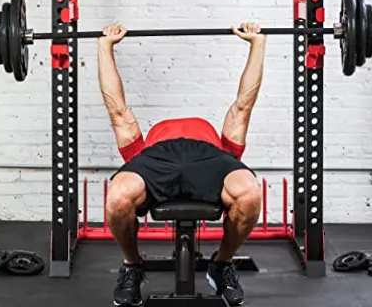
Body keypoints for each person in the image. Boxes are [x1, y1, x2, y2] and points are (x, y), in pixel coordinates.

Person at [98, 23, 267, 307]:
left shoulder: (223, 147)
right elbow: (117, 109)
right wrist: (105, 46)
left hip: (209, 158)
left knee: (250, 193)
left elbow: (243, 106)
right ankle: (132, 267)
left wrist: (257, 43)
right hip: (157, 159)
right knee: (117, 198)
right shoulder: (141, 150)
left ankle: (222, 265)